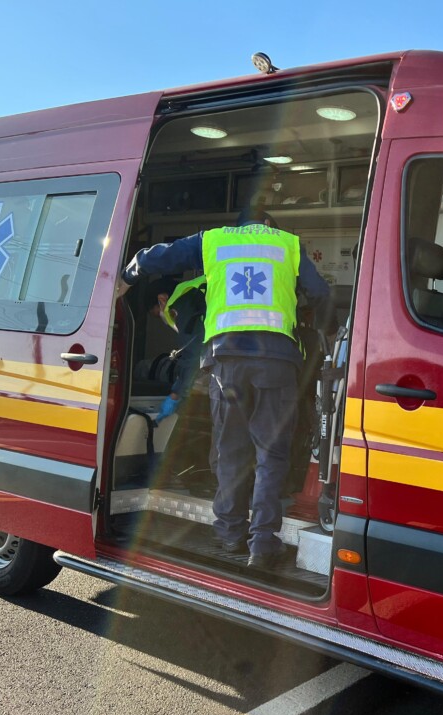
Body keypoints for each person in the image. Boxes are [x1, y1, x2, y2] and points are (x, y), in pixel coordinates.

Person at [118, 209, 331, 571]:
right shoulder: (288, 245)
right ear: (269, 228)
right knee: (271, 456)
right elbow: (321, 293)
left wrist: (127, 274)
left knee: (230, 450)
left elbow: (162, 255)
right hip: (276, 364)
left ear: (241, 226)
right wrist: (325, 334)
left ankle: (230, 534)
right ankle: (262, 545)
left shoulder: (214, 239)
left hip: (226, 363)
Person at [143, 276, 206, 423]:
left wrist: (175, 395)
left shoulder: (184, 301)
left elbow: (193, 352)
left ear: (162, 300)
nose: (164, 318)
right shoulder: (195, 291)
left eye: (158, 314)